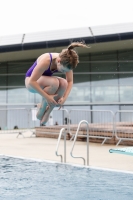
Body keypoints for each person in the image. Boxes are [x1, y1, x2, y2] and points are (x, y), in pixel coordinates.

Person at [25, 42, 89, 125]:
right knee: (54, 83)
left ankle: (49, 110)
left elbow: (70, 81)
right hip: (31, 83)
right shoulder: (46, 60)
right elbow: (31, 81)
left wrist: (64, 98)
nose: (64, 72)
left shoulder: (68, 61)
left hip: (43, 82)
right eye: (62, 70)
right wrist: (47, 97)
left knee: (64, 83)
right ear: (58, 61)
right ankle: (42, 108)